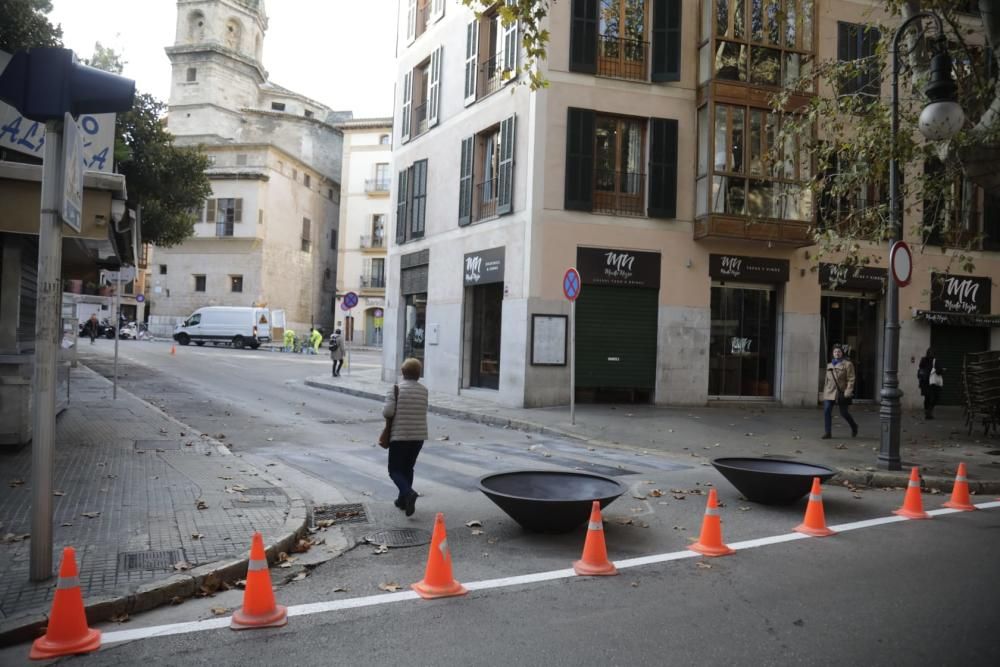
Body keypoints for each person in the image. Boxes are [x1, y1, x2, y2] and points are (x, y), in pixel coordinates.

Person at [382, 358, 428, 516]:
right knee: (408, 468)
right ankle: (402, 501)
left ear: (402, 373)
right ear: (419, 374)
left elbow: (387, 412)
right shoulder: (424, 390)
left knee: (394, 469)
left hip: (400, 436)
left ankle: (408, 493)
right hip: (418, 437)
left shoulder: (395, 389)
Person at [822, 345, 858, 439]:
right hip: (829, 392)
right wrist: (824, 392)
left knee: (844, 413)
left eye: (838, 352)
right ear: (833, 354)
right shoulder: (829, 365)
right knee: (827, 411)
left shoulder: (848, 364)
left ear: (842, 353)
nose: (837, 353)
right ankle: (828, 432)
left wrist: (848, 391)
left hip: (841, 392)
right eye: (835, 352)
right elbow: (826, 381)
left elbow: (851, 378)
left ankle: (854, 426)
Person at [918, 348, 944, 420]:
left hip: (924, 382)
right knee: (936, 397)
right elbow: (939, 371)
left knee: (927, 398)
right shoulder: (935, 361)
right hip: (932, 383)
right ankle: (929, 411)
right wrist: (943, 370)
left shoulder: (923, 360)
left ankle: (927, 412)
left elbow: (920, 368)